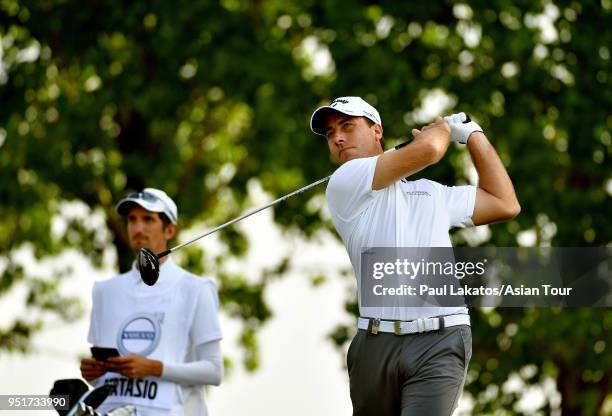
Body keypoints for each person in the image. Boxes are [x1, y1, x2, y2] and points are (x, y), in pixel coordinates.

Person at [310, 97, 520, 416]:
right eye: (330, 133)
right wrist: (440, 129)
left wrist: (473, 134)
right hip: (375, 344)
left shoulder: (432, 193)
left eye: (347, 126)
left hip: (441, 340)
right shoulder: (344, 182)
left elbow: (505, 203)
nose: (337, 137)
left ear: (376, 131)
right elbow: (430, 150)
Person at [79, 188, 223, 416]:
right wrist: (94, 374)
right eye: (132, 220)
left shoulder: (196, 289)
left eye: (148, 219)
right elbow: (104, 384)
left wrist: (154, 368)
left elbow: (214, 371)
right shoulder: (105, 291)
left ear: (169, 230)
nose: (138, 228)